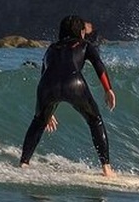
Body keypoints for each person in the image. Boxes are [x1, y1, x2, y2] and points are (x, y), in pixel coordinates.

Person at [19, 15, 117, 177]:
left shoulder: (51, 48)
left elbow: (45, 74)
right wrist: (108, 89)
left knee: (38, 122)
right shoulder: (85, 44)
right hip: (74, 84)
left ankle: (24, 163)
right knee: (95, 120)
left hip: (47, 86)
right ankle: (106, 169)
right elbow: (98, 64)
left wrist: (46, 111)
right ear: (80, 32)